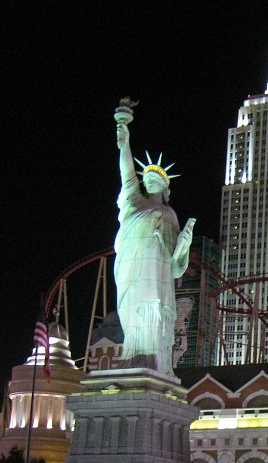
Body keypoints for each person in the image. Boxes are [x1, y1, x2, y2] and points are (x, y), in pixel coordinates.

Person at [113, 104, 195, 375]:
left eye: (154, 180)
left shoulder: (168, 214)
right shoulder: (135, 202)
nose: (148, 181)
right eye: (145, 178)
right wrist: (124, 139)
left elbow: (174, 263)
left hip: (155, 274)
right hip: (130, 267)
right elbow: (127, 173)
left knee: (151, 312)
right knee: (130, 309)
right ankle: (133, 354)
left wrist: (184, 245)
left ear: (165, 187)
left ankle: (151, 358)